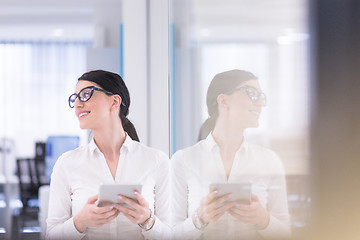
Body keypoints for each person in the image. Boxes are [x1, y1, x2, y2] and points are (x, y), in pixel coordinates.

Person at [46, 70, 171, 240]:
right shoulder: (66, 164)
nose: (77, 104)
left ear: (114, 102)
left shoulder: (157, 161)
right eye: (74, 98)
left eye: (85, 95)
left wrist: (147, 220)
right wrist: (79, 222)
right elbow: (51, 235)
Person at [171, 70, 291, 239]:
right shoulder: (183, 161)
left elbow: (287, 233)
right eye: (252, 93)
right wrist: (199, 219)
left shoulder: (269, 161)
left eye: (261, 96)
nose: (260, 103)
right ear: (223, 101)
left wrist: (264, 219)